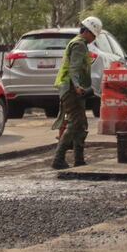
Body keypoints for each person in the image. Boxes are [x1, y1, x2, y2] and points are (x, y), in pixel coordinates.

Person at [51, 16, 102, 170]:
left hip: (71, 89)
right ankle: (58, 159)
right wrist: (78, 86)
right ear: (87, 31)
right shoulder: (79, 45)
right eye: (93, 35)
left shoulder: (80, 44)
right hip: (71, 89)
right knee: (74, 123)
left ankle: (79, 159)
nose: (94, 38)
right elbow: (74, 68)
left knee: (80, 124)